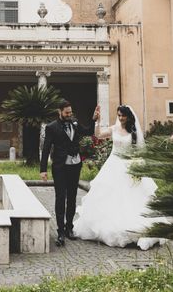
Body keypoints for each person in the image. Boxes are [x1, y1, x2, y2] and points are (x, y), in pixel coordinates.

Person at [72, 104, 166, 250]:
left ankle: (134, 227)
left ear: (128, 116)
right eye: (119, 115)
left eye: (123, 115)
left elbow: (138, 151)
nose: (120, 118)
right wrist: (97, 120)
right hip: (113, 165)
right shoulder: (114, 129)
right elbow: (98, 135)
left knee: (131, 197)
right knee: (110, 196)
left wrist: (137, 165)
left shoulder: (133, 132)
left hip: (128, 166)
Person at [40, 100, 100, 246]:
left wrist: (94, 119)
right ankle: (60, 231)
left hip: (75, 165)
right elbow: (46, 148)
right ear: (59, 112)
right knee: (61, 197)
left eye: (70, 112)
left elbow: (87, 132)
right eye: (67, 112)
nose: (69, 115)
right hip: (60, 167)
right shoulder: (51, 127)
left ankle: (69, 228)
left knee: (72, 197)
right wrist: (43, 170)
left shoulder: (74, 123)